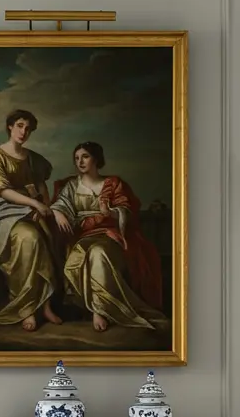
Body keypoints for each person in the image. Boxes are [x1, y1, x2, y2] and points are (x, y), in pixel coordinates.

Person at [51, 141, 166, 331]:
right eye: (77, 158)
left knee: (98, 252)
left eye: (85, 157)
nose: (80, 161)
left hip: (110, 235)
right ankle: (93, 305)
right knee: (79, 257)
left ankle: (100, 309)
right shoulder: (72, 186)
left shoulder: (112, 183)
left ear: (96, 159)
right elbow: (60, 204)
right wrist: (58, 212)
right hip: (83, 235)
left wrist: (110, 212)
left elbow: (126, 211)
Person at [0, 110, 62, 330]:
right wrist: (33, 204)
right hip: (5, 211)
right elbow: (3, 191)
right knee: (29, 239)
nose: (23, 132)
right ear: (10, 126)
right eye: (19, 125)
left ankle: (45, 305)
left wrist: (44, 207)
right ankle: (26, 308)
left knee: (48, 238)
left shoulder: (33, 158)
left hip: (33, 209)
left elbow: (41, 186)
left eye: (28, 128)